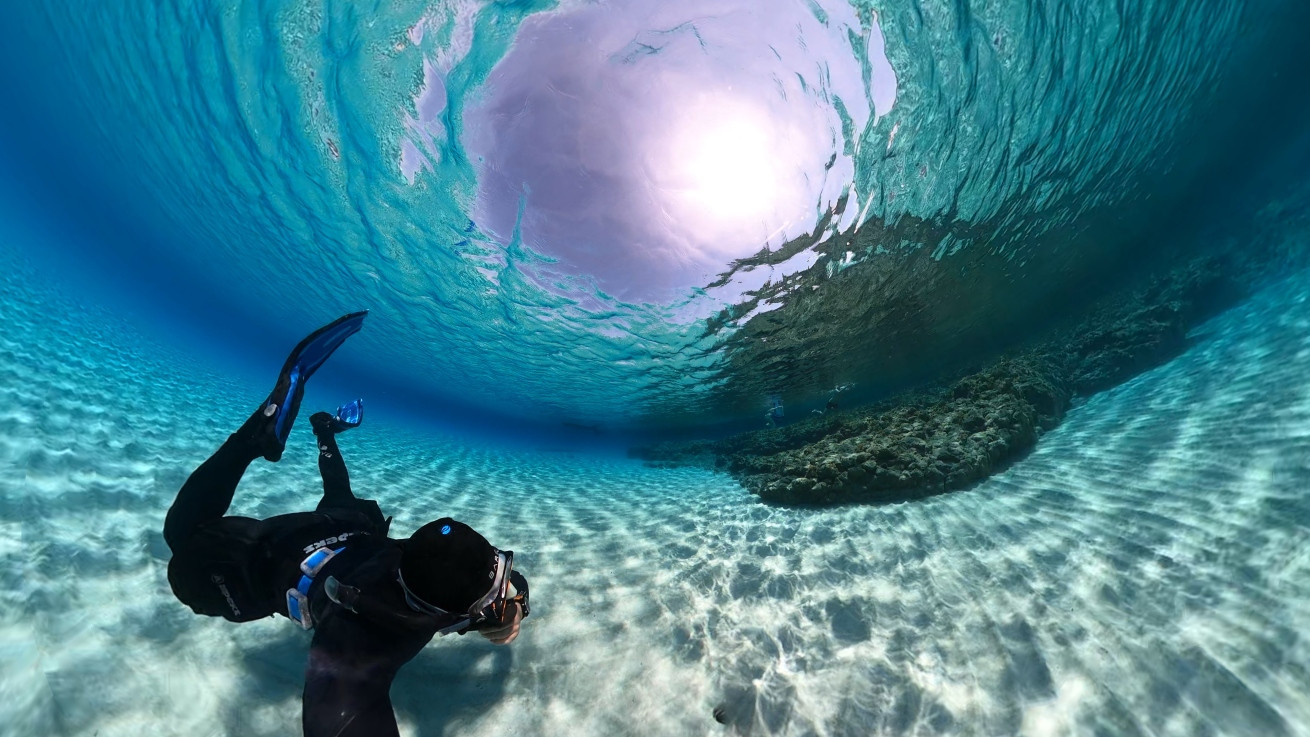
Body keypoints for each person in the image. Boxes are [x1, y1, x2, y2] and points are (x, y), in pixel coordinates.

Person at [163, 312, 529, 737]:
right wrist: (511, 606)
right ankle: (288, 438)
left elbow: (483, 570)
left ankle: (302, 433)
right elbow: (337, 716)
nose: (506, 587)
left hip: (342, 534)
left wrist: (516, 601)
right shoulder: (358, 645)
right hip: (262, 564)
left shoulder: (422, 556)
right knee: (184, 550)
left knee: (338, 493)